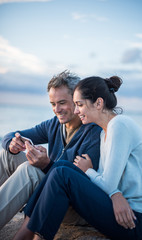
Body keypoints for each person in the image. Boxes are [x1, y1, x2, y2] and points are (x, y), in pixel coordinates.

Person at [13, 76, 142, 240]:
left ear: (98, 103)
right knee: (61, 168)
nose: (75, 111)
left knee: (62, 173)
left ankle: (28, 235)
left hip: (132, 219)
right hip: (117, 208)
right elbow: (107, 183)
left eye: (80, 105)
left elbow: (108, 183)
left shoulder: (119, 125)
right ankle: (26, 232)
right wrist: (113, 192)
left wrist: (88, 170)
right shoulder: (104, 133)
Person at [0, 71, 101, 229]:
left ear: (77, 99)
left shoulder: (93, 133)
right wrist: (12, 144)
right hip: (49, 191)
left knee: (30, 170)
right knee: (7, 154)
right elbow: (11, 135)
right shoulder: (54, 124)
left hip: (73, 207)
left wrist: (46, 164)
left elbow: (76, 184)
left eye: (62, 102)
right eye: (53, 104)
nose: (57, 109)